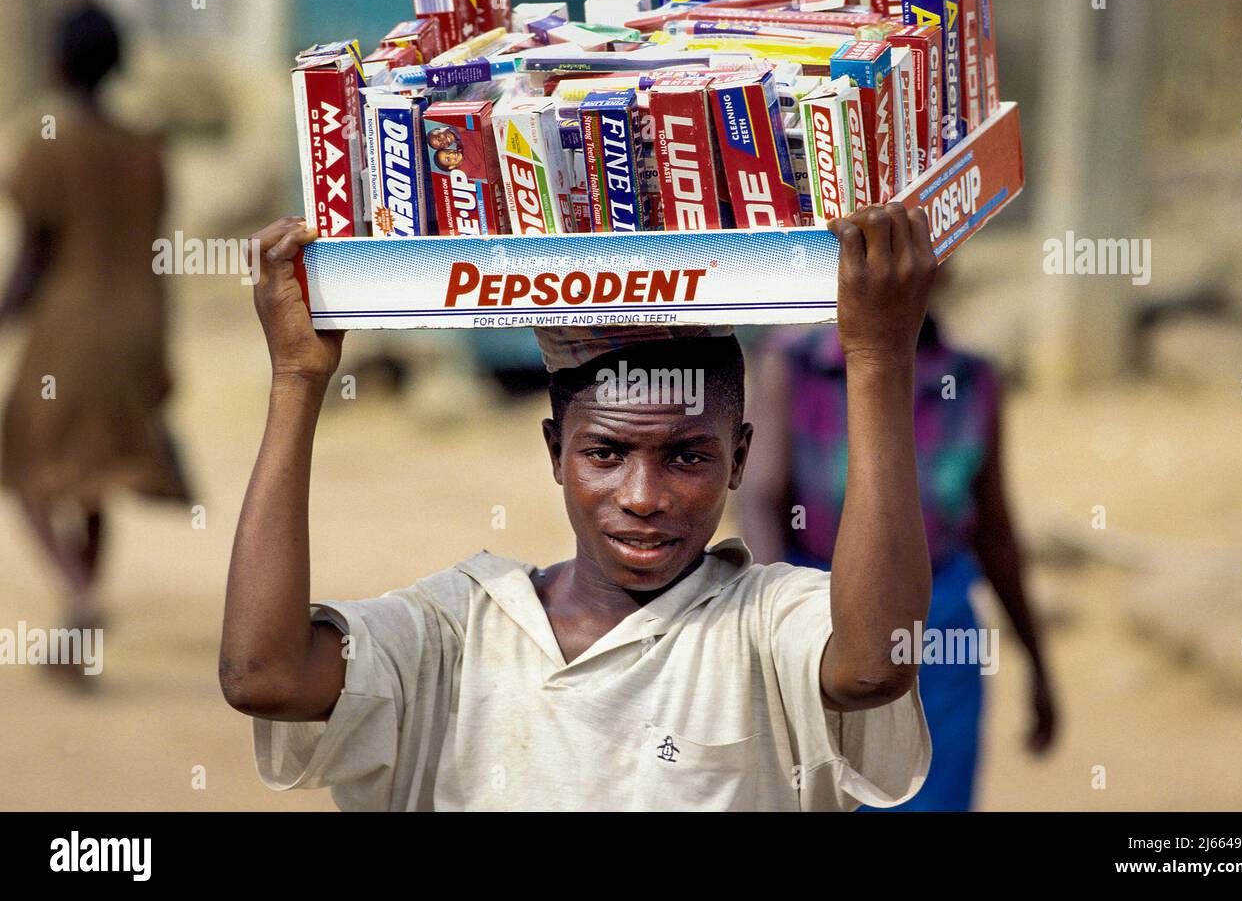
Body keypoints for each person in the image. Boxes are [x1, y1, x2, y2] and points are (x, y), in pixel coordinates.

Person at [222, 203, 937, 811]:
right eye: (605, 455)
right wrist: (295, 380)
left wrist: (877, 360)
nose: (644, 498)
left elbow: (877, 664)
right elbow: (264, 676)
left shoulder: (763, 624)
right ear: (555, 450)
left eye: (687, 457)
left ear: (739, 460)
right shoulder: (458, 630)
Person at [740, 273, 1058, 811]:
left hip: (940, 632)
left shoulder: (971, 381)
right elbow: (759, 501)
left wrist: (1038, 664)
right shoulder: (792, 365)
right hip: (821, 613)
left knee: (933, 794)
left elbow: (996, 531)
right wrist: (778, 643)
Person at [1, 5, 190, 658]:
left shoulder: (47, 145)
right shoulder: (147, 149)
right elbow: (158, 255)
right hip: (139, 323)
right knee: (96, 475)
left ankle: (78, 592)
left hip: (70, 328)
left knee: (26, 466)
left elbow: (30, 266)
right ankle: (78, 617)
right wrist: (163, 350)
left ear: (56, 62)